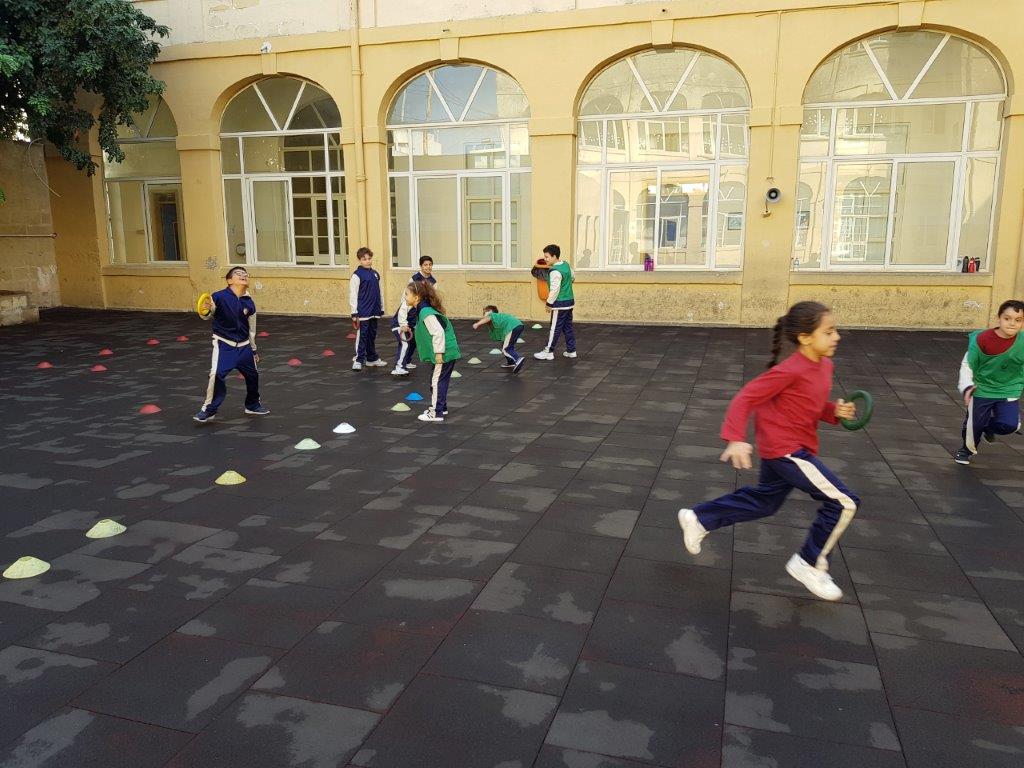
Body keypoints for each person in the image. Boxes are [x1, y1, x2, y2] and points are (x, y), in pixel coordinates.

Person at [676, 301, 859, 601]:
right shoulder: (789, 370)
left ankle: (700, 518)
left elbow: (808, 406)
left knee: (765, 502)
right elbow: (746, 397)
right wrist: (735, 438)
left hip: (788, 448)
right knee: (844, 502)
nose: (836, 336)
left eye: (835, 330)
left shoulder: (825, 366)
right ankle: (809, 563)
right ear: (805, 338)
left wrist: (834, 411)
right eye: (828, 332)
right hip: (788, 450)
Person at [193, 266, 269, 423]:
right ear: (229, 280)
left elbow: (252, 330)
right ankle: (208, 410)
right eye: (238, 273)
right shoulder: (218, 297)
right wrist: (205, 310)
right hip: (224, 345)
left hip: (245, 346)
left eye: (245, 274)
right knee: (216, 375)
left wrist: (254, 350)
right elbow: (207, 314)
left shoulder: (249, 303)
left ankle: (253, 405)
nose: (243, 275)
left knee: (253, 375)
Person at [954, 299, 1024, 464]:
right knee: (974, 425)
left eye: (1018, 320)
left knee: (1010, 425)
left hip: (1009, 388)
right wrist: (967, 387)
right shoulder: (983, 339)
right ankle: (966, 450)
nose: (1012, 323)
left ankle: (988, 427)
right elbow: (968, 364)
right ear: (998, 318)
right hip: (982, 388)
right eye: (1007, 318)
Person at [409, 280, 460, 423]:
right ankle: (441, 407)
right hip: (447, 350)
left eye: (407, 294)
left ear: (416, 297)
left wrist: (438, 353)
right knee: (438, 380)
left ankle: (436, 413)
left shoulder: (426, 312)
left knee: (436, 382)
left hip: (444, 352)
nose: (405, 297)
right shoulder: (424, 309)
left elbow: (438, 332)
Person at [390, 255, 437, 376]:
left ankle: (406, 361)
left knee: (414, 341)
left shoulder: (432, 282)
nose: (428, 267)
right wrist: (403, 324)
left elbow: (433, 297)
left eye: (430, 264)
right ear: (421, 266)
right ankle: (398, 367)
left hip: (411, 321)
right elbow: (403, 307)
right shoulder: (410, 297)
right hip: (399, 324)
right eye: (425, 265)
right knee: (404, 343)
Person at [533, 244, 577, 360]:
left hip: (560, 304)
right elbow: (573, 276)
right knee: (567, 327)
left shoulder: (554, 271)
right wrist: (567, 285)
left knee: (554, 328)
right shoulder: (565, 265)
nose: (545, 259)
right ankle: (571, 350)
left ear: (554, 256)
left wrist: (549, 303)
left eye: (547, 257)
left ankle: (548, 351)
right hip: (569, 302)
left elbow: (555, 289)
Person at [349, 246, 386, 371]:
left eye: (369, 258)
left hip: (374, 311)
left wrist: (381, 307)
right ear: (359, 260)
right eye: (364, 259)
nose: (367, 261)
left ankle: (371, 359)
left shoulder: (375, 274)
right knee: (362, 337)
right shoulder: (357, 275)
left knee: (372, 335)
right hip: (363, 312)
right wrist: (354, 312)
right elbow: (353, 294)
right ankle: (358, 360)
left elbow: (380, 292)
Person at [473, 305, 526, 374]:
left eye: (486, 312)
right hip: (518, 325)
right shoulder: (498, 320)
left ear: (491, 312)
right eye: (483, 313)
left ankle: (517, 359)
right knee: (507, 345)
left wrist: (477, 324)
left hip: (513, 326)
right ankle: (511, 362)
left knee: (506, 349)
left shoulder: (492, 316)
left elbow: (488, 318)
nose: (484, 315)